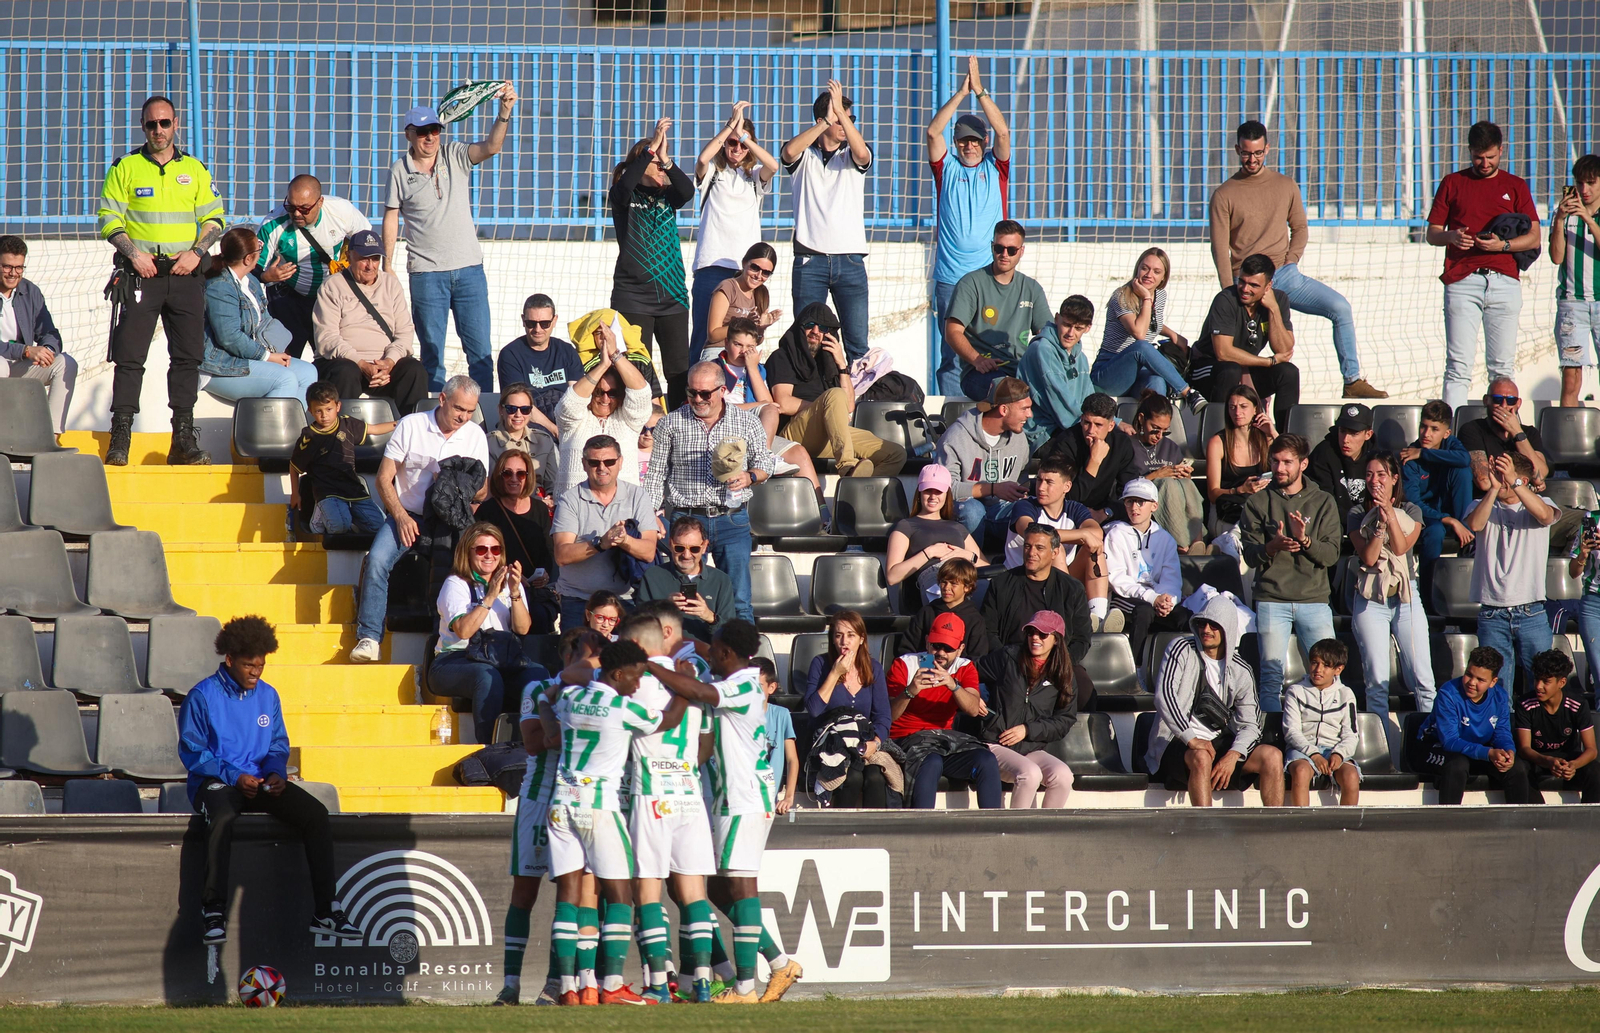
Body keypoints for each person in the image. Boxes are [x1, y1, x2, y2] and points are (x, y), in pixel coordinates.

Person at [177, 615, 361, 946]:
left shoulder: (269, 696)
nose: (256, 672)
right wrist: (234, 775)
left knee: (316, 814)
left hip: (260, 781)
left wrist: (276, 773)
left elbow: (278, 745)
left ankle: (326, 910)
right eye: (249, 665)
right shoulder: (202, 696)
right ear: (230, 660)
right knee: (222, 816)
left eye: (260, 665)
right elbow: (193, 753)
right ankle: (214, 910)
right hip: (215, 782)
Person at [648, 619, 799, 1004]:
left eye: (715, 650)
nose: (709, 653)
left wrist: (649, 664)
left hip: (743, 798)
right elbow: (709, 654)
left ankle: (745, 987)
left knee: (742, 886)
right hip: (732, 799)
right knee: (713, 885)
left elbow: (697, 689)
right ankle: (778, 962)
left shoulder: (742, 686)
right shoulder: (740, 675)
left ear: (728, 654)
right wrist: (685, 640)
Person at [545, 638, 697, 1005]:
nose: (638, 685)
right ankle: (611, 984)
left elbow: (546, 697)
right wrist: (685, 685)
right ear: (616, 674)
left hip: (562, 803)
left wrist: (555, 733)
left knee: (568, 896)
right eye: (635, 677)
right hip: (599, 806)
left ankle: (572, 986)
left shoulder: (570, 697)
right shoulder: (622, 708)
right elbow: (671, 719)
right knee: (620, 896)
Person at [1210, 120, 1385, 399]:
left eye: (1257, 153)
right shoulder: (1224, 194)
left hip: (1285, 276)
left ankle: (1352, 380)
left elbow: (1300, 228)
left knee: (1340, 308)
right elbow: (1220, 248)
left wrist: (1290, 261)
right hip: (1247, 284)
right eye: (1245, 153)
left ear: (1267, 149)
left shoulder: (1285, 184)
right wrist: (1230, 291)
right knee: (1238, 347)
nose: (1252, 159)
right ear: (1236, 150)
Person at [97, 94, 224, 466]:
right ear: (142, 127)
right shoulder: (126, 167)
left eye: (164, 123)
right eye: (151, 124)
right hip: (142, 274)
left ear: (176, 124)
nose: (158, 130)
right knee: (129, 356)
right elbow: (108, 218)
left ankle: (183, 438)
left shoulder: (196, 170)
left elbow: (215, 219)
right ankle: (120, 435)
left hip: (186, 274)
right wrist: (134, 254)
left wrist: (197, 253)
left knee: (187, 358)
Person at [602, 613, 718, 1005]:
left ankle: (658, 981)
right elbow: (706, 745)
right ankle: (701, 980)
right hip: (689, 791)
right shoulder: (692, 682)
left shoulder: (635, 686)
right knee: (692, 892)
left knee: (647, 891)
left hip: (651, 793)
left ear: (636, 646)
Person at [497, 627, 605, 1007]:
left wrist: (555, 730)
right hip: (538, 797)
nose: (592, 664)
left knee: (575, 896)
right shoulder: (536, 688)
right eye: (585, 657)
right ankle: (510, 985)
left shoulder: (600, 696)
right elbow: (532, 742)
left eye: (596, 658)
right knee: (524, 892)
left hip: (579, 799)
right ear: (566, 655)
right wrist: (556, 731)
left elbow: (555, 738)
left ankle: (557, 983)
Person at [384, 90, 517, 392]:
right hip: (427, 274)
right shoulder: (398, 171)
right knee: (432, 355)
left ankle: (483, 418)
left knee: (481, 354)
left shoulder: (455, 154)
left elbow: (492, 146)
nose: (430, 137)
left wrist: (504, 111)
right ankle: (433, 418)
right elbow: (391, 216)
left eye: (434, 130)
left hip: (469, 270)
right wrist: (387, 264)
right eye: (422, 132)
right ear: (409, 135)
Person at [350, 376, 489, 662]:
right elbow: (383, 479)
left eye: (469, 411)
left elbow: (483, 491)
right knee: (376, 559)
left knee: (466, 572)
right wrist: (400, 517)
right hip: (408, 515)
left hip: (449, 522)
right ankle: (369, 637)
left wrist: (456, 482)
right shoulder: (411, 425)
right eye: (459, 409)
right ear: (442, 399)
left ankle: (458, 645)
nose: (464, 417)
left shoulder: (475, 434)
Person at [645, 360, 779, 623]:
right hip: (686, 519)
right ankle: (687, 659)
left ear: (722, 390)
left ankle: (742, 661)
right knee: (685, 597)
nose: (698, 398)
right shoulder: (670, 423)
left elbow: (765, 463)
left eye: (705, 393)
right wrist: (651, 514)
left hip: (731, 518)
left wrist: (749, 476)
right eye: (692, 392)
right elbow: (656, 473)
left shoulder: (746, 422)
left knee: (740, 599)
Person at [1426, 120, 1542, 411]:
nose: (1485, 163)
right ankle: (1450, 435)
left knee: (1502, 366)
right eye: (1478, 157)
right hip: (1462, 280)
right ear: (1469, 151)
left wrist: (1501, 246)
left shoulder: (1515, 186)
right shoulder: (1453, 182)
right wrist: (1451, 236)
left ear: (1501, 151)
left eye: (1490, 157)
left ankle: (1501, 431)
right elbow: (1432, 233)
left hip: (1504, 281)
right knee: (1458, 364)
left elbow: (1534, 237)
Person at [927, 55, 1012, 398]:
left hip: (986, 278)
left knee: (992, 350)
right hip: (950, 278)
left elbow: (1003, 132)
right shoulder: (945, 168)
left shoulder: (996, 167)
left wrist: (980, 93)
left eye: (976, 140)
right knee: (951, 355)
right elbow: (934, 131)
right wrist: (961, 93)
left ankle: (989, 409)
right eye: (963, 140)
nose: (970, 145)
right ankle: (950, 415)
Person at [1147, 598, 1285, 807]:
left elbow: (1251, 724)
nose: (1206, 630)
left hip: (1219, 743)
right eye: (1202, 624)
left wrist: (1234, 754)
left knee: (1272, 756)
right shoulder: (1180, 648)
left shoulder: (1241, 669)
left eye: (1214, 625)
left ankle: (1276, 831)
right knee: (1202, 757)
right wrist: (1191, 739)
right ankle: (1205, 831)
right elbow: (1164, 696)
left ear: (1227, 628)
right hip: (1176, 742)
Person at [1239, 433, 1342, 712]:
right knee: (1271, 677)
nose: (1280, 468)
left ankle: (1324, 733)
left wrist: (1305, 541)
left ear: (1303, 464)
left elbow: (1331, 556)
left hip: (1314, 599)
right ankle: (1272, 739)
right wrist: (1271, 547)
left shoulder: (1323, 501)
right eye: (1275, 461)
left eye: (1287, 462)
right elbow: (1249, 555)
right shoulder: (1257, 502)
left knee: (1329, 676)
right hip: (1272, 598)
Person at [781, 79, 874, 364]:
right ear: (824, 120)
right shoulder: (804, 158)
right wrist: (824, 123)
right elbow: (788, 153)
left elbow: (863, 155)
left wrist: (842, 117)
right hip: (811, 261)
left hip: (851, 261)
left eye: (851, 118)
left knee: (857, 343)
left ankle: (859, 400)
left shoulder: (851, 156)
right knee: (807, 340)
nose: (847, 124)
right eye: (841, 119)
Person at [610, 117, 696, 409]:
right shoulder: (624, 195)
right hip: (633, 298)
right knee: (637, 370)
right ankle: (639, 428)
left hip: (672, 296)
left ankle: (677, 427)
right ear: (641, 164)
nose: (661, 168)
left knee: (678, 371)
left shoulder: (668, 196)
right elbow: (623, 188)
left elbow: (687, 191)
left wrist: (666, 159)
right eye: (656, 162)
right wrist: (649, 150)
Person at [429, 522, 539, 744]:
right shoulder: (456, 584)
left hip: (501, 659)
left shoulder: (509, 585)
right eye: (481, 550)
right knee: (487, 676)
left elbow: (522, 628)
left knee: (538, 676)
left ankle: (535, 744)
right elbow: (463, 631)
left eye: (495, 549)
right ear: (467, 552)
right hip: (454, 660)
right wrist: (489, 597)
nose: (489, 555)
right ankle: (488, 748)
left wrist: (516, 592)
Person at [765, 303, 905, 477]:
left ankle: (857, 498)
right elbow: (783, 402)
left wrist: (841, 365)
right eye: (810, 325)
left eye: (822, 327)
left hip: (829, 433)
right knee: (835, 395)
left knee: (896, 454)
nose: (815, 331)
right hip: (794, 432)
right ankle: (846, 465)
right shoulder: (783, 356)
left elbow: (848, 407)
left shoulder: (829, 363)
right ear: (800, 328)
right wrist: (826, 408)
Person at [1349, 451, 1438, 717]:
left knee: (1423, 680)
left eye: (1381, 474)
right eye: (1369, 474)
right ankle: (1385, 754)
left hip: (1406, 598)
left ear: (1394, 478)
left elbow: (1400, 547)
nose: (1374, 480)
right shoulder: (1356, 512)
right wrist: (1379, 525)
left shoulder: (1412, 510)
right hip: (1371, 599)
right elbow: (1369, 556)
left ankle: (1429, 744)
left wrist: (1389, 512)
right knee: (1376, 684)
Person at [887, 612, 1002, 809]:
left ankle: (992, 831)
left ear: (960, 649)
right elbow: (888, 716)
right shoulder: (905, 664)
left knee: (986, 760)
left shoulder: (964, 667)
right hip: (907, 738)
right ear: (927, 642)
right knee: (930, 761)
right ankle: (922, 829)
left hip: (943, 740)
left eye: (948, 648)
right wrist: (910, 691)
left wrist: (953, 685)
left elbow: (974, 709)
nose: (940, 653)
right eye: (936, 645)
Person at [691, 103, 781, 355]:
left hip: (746, 272)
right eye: (732, 143)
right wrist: (731, 126)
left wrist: (744, 137)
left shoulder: (754, 179)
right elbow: (702, 159)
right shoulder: (713, 173)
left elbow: (773, 166)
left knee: (743, 338)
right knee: (703, 337)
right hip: (712, 266)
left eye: (743, 144)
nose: (737, 149)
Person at [311, 228, 429, 416]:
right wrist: (361, 364)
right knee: (345, 371)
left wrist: (389, 362)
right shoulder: (332, 285)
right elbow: (327, 338)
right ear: (350, 257)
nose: (370, 266)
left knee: (414, 370)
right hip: (348, 363)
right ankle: (341, 436)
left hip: (385, 366)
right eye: (364, 259)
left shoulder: (391, 284)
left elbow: (405, 333)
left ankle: (413, 433)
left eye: (375, 259)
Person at [551, 433, 662, 633]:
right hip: (580, 601)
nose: (602, 468)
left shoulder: (638, 496)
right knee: (578, 662)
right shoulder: (569, 500)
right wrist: (600, 544)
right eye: (594, 462)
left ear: (620, 462)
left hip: (625, 601)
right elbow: (561, 555)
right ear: (584, 464)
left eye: (609, 461)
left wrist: (624, 540)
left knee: (626, 663)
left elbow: (648, 551)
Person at [255, 174, 372, 358]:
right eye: (291, 206)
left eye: (304, 208)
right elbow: (250, 268)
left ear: (320, 202)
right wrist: (265, 277)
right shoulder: (273, 223)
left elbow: (367, 243)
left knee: (332, 358)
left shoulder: (341, 211)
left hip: (328, 298)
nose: (296, 214)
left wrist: (350, 262)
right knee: (286, 359)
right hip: (287, 297)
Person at [1467, 450, 1557, 687]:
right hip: (1492, 613)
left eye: (1504, 473)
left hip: (1531, 611)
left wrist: (1514, 483)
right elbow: (1475, 524)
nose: (1499, 477)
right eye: (1496, 472)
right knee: (1496, 688)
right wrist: (1495, 488)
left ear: (1523, 481)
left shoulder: (1543, 502)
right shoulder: (1481, 503)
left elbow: (1545, 516)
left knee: (1542, 682)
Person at [201, 226, 319, 404]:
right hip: (220, 365)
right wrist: (268, 357)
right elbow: (230, 338)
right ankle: (267, 431)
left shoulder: (251, 280)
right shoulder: (220, 286)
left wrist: (278, 350)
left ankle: (294, 429)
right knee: (285, 379)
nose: (261, 253)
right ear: (248, 258)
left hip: (249, 356)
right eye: (259, 250)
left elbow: (264, 322)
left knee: (308, 372)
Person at [705, 318, 822, 494]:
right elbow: (715, 409)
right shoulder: (713, 368)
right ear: (727, 343)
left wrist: (752, 369)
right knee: (769, 408)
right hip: (725, 429)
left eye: (749, 347)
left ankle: (822, 515)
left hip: (755, 433)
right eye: (738, 344)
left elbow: (768, 404)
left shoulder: (758, 370)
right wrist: (759, 405)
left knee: (799, 453)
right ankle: (763, 459)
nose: (743, 351)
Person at [975, 610, 1077, 808]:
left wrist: (1028, 729)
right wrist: (973, 694)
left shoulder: (1064, 674)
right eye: (1031, 632)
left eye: (1042, 634)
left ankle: (1045, 835)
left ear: (1056, 639)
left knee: (1063, 776)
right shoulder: (1008, 657)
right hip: (994, 743)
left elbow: (1064, 720)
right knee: (1029, 774)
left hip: (1031, 746)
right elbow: (971, 669)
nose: (1035, 638)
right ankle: (1016, 835)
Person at [1409, 645, 1532, 805]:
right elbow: (1450, 741)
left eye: (1480, 680)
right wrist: (1488, 753)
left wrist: (1509, 752)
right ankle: (1449, 824)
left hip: (1476, 750)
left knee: (1516, 767)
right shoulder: (1448, 693)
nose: (1471, 683)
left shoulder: (1500, 696)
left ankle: (1518, 823)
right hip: (1431, 747)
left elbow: (1502, 733)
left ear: (1493, 682)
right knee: (1457, 765)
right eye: (1468, 674)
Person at [1189, 253, 1298, 431]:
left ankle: (1284, 439)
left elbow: (1284, 349)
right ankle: (1216, 437)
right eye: (1242, 281)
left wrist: (1273, 309)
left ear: (1268, 286)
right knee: (1230, 368)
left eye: (1254, 285)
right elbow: (1223, 353)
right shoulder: (1225, 299)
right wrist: (1268, 361)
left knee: (1288, 372)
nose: (1245, 289)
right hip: (1207, 368)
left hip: (1244, 368)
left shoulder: (1279, 300)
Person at [944, 220, 1050, 402]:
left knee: (1055, 392)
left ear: (1021, 251)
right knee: (1011, 393)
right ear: (992, 247)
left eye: (1011, 250)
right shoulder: (971, 283)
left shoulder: (1032, 288)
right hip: (980, 373)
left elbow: (1047, 335)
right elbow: (952, 332)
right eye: (999, 248)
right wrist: (978, 360)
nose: (1004, 254)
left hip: (1021, 371)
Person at [980, 524, 1093, 684]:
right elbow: (987, 631)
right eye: (1027, 546)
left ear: (1054, 553)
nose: (1031, 553)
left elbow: (1081, 638)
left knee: (1084, 689)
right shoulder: (1001, 584)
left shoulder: (1071, 588)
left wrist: (1058, 663)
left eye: (1039, 548)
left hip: (1057, 663)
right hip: (1011, 662)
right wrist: (1010, 660)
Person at [1094, 247, 1204, 410]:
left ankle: (1153, 430)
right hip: (1109, 371)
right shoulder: (1122, 296)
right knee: (1142, 346)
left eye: (1156, 271)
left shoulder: (1160, 295)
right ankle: (1188, 392)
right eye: (1145, 268)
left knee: (1157, 381)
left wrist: (1171, 333)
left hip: (1137, 374)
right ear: (1137, 268)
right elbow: (1139, 333)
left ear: (1163, 277)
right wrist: (1146, 297)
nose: (1149, 275)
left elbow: (1150, 322)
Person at [804, 610, 892, 808]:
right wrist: (835, 674)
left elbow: (883, 716)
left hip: (863, 742)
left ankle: (876, 836)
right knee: (852, 778)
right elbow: (814, 710)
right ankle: (843, 835)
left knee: (876, 778)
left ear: (861, 639)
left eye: (851, 635)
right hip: (831, 744)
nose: (844, 641)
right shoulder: (820, 664)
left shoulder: (874, 668)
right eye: (838, 635)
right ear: (832, 640)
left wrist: (875, 742)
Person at [554, 325, 653, 496]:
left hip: (622, 508)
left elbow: (642, 393)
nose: (605, 399)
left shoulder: (628, 420)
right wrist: (602, 366)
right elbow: (570, 403)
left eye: (612, 393)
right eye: (599, 392)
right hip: (575, 507)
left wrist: (615, 355)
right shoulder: (574, 420)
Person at [1002, 457, 1107, 614]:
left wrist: (1086, 535)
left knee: (1095, 548)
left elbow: (1096, 533)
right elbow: (1032, 531)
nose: (1041, 488)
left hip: (1064, 577)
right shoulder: (1025, 506)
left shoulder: (1075, 508)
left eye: (1049, 482)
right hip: (1025, 577)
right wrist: (1083, 534)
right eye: (1039, 480)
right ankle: (1066, 613)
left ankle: (1098, 617)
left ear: (1067, 486)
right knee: (1055, 549)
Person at [938, 376, 1032, 548]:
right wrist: (994, 488)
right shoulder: (956, 437)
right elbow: (944, 489)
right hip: (962, 511)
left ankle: (1017, 571)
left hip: (1000, 510)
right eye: (1025, 409)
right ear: (1004, 409)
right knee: (973, 510)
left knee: (1031, 510)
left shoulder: (1019, 438)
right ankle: (971, 569)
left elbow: (1022, 476)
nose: (1030, 415)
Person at [289, 381, 393, 536]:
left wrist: (401, 423)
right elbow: (294, 466)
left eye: (329, 409)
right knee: (339, 527)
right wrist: (295, 494)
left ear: (338, 406)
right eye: (318, 411)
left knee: (379, 528)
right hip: (327, 491)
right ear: (310, 411)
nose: (324, 415)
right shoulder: (309, 437)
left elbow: (375, 429)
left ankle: (350, 517)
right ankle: (318, 517)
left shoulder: (347, 423)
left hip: (353, 489)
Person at [1106, 478, 1191, 666]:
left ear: (1154, 506)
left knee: (1185, 617)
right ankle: (1136, 670)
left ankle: (1183, 668)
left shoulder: (1166, 539)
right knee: (1143, 612)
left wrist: (1166, 601)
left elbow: (1172, 578)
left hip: (1157, 598)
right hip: (1127, 598)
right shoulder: (1116, 533)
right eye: (1129, 501)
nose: (1134, 507)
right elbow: (1117, 578)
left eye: (1140, 502)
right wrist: (1152, 598)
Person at [0, 235, 77, 433]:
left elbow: (49, 331)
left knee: (65, 363)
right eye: (7, 266)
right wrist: (25, 350)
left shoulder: (30, 291)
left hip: (18, 365)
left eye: (19, 268)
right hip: (3, 363)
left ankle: (49, 436)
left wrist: (47, 350)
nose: (13, 273)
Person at [885, 464, 985, 611]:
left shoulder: (957, 527)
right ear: (919, 493)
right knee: (947, 595)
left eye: (938, 491)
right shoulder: (906, 525)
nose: (933, 496)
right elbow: (892, 576)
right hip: (934, 575)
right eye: (927, 491)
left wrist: (968, 556)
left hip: (963, 575)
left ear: (947, 494)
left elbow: (988, 569)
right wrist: (929, 553)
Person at [1037, 391, 1142, 533]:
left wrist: (1106, 512)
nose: (1091, 430)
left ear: (1111, 426)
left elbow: (1130, 491)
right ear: (1081, 420)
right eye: (1087, 423)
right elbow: (1065, 496)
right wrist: (1094, 462)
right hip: (1066, 516)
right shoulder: (1066, 443)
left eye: (1098, 425)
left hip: (1105, 514)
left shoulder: (1121, 443)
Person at [1401, 399, 1475, 587]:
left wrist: (1424, 454)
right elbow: (1414, 503)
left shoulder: (1450, 444)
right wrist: (1447, 519)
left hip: (1454, 511)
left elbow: (1464, 459)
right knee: (1434, 533)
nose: (1426, 434)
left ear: (1446, 433)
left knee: (1462, 470)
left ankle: (1469, 542)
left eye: (1434, 429)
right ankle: (1427, 596)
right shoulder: (1409, 457)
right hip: (1428, 516)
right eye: (1423, 427)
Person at [1281, 639, 1361, 807]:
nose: (1318, 670)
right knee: (1301, 771)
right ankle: (1302, 827)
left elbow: (1351, 734)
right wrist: (1314, 755)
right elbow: (1291, 731)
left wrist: (1338, 754)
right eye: (1314, 663)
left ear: (1338, 669)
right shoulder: (1295, 692)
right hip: (1303, 751)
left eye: (1326, 665)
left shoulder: (1346, 694)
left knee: (1351, 776)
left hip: (1334, 750)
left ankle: (1347, 829)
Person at [497, 294, 584, 444]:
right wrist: (555, 430)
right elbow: (520, 406)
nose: (537, 329)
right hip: (529, 420)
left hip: (564, 418)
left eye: (544, 323)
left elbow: (577, 396)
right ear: (523, 320)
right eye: (531, 323)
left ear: (554, 320)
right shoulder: (510, 355)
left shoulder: (566, 351)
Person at [477, 447, 556, 612]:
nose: (514, 479)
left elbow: (548, 550)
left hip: (534, 593)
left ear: (528, 477)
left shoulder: (540, 509)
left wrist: (545, 574)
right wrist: (511, 576)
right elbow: (481, 553)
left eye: (521, 474)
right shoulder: (487, 511)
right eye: (507, 473)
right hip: (500, 592)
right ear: (499, 476)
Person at [635, 515, 738, 642]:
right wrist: (664, 609)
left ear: (704, 547)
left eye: (694, 549)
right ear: (670, 544)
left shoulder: (721, 580)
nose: (686, 555)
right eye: (679, 548)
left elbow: (732, 636)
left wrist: (709, 616)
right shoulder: (653, 576)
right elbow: (638, 627)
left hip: (706, 657)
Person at [1515, 649, 1600, 803]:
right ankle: (1536, 817)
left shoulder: (1578, 705)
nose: (1539, 686)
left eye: (1546, 681)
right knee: (1519, 769)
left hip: (1567, 759)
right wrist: (1547, 760)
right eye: (1536, 679)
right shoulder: (1525, 704)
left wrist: (1574, 765)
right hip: (1537, 759)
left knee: (1595, 770)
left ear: (1561, 682)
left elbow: (1591, 750)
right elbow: (1524, 749)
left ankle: (1590, 819)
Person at [1127, 394, 1206, 555]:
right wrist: (1156, 474)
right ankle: (1183, 545)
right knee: (1168, 483)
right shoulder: (1128, 446)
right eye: (1155, 429)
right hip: (1145, 503)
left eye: (1165, 431)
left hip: (1173, 499)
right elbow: (1126, 487)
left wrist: (1185, 474)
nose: (1159, 436)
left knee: (1185, 483)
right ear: (1142, 419)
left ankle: (1198, 543)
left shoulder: (1170, 446)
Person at [1551, 154, 1600, 406]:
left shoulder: (1591, 215)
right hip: (1573, 304)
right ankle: (1566, 436)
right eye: (1580, 183)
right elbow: (1556, 257)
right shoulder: (1565, 214)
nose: (1584, 189)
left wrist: (1588, 219)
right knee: (1571, 376)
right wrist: (1559, 220)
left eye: (1591, 182)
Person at [1205, 384, 1275, 559]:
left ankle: (1233, 538)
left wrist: (1273, 433)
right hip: (1229, 508)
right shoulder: (1218, 442)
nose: (1237, 412)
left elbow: (1294, 468)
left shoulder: (1267, 440)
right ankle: (1233, 537)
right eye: (1232, 407)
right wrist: (1240, 490)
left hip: (1261, 507)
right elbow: (1213, 494)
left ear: (1255, 410)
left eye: (1243, 407)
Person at [1018, 295, 1094, 451]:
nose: (1070, 333)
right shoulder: (1042, 349)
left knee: (1116, 444)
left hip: (1068, 425)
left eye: (1078, 328)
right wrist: (1092, 427)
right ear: (1057, 318)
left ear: (1088, 328)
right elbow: (1062, 405)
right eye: (1066, 325)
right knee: (1087, 449)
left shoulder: (1081, 357)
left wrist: (1113, 422)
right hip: (1040, 433)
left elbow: (1090, 399)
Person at [894, 557, 993, 662]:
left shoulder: (975, 619)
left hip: (958, 676)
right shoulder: (927, 612)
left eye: (953, 583)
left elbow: (976, 657)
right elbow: (910, 648)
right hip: (925, 673)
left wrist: (953, 675)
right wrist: (929, 669)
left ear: (967, 587)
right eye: (943, 582)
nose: (946, 587)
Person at [1455, 379, 1550, 485]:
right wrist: (1523, 483)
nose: (1504, 406)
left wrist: (1516, 432)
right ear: (1486, 400)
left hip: (1521, 500)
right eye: (1497, 399)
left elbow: (1539, 476)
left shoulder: (1529, 433)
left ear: (1518, 403)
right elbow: (1484, 482)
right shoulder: (1472, 430)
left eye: (1510, 401)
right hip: (1488, 499)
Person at [701, 243, 782, 354]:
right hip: (720, 351)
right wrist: (744, 323)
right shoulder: (728, 287)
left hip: (745, 352)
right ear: (744, 263)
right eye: (755, 268)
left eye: (766, 272)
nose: (758, 275)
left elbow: (756, 341)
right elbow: (713, 335)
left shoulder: (762, 293)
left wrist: (761, 328)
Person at [488, 382, 558, 501]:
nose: (518, 415)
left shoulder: (544, 440)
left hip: (541, 505)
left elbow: (554, 484)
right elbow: (492, 488)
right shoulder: (489, 443)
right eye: (511, 409)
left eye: (525, 409)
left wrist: (550, 499)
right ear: (501, 409)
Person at [1308, 403, 1375, 515]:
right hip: (1332, 524)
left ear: (1368, 434)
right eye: (1342, 431)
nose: (1345, 440)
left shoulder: (1377, 457)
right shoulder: (1323, 453)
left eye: (1354, 433)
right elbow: (1323, 502)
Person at [756, 658, 800, 817]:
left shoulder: (781, 715)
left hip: (769, 800)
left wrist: (788, 797)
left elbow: (792, 759)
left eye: (758, 686)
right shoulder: (736, 717)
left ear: (771, 687)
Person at [1569, 516, 1600, 695]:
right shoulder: (1591, 519)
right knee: (1598, 671)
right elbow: (1573, 573)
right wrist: (1583, 554)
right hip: (1593, 603)